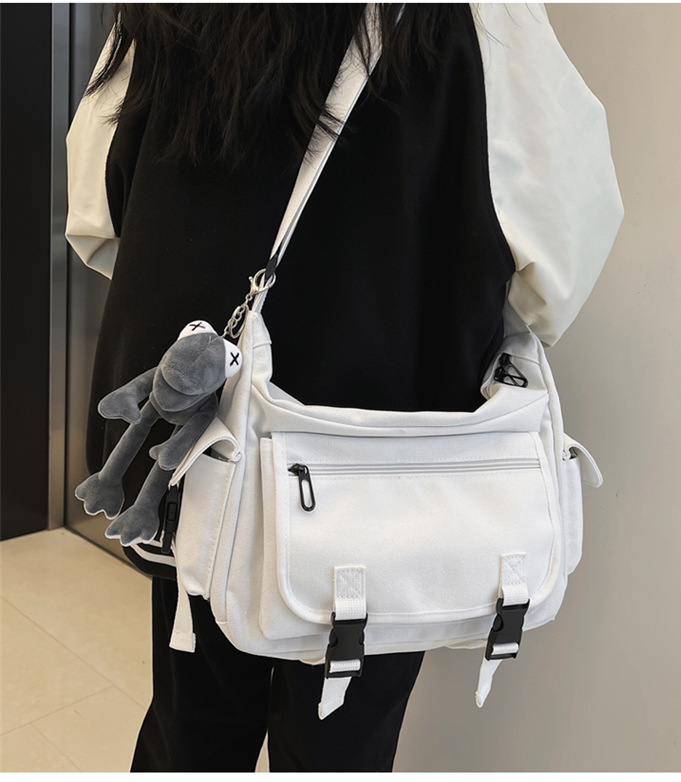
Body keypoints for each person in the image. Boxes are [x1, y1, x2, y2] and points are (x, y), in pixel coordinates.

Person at [66, 3, 623, 772]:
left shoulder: (172, 11)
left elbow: (97, 215)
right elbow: (559, 260)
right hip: (391, 475)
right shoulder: (480, 19)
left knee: (192, 726)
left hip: (205, 453)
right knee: (342, 744)